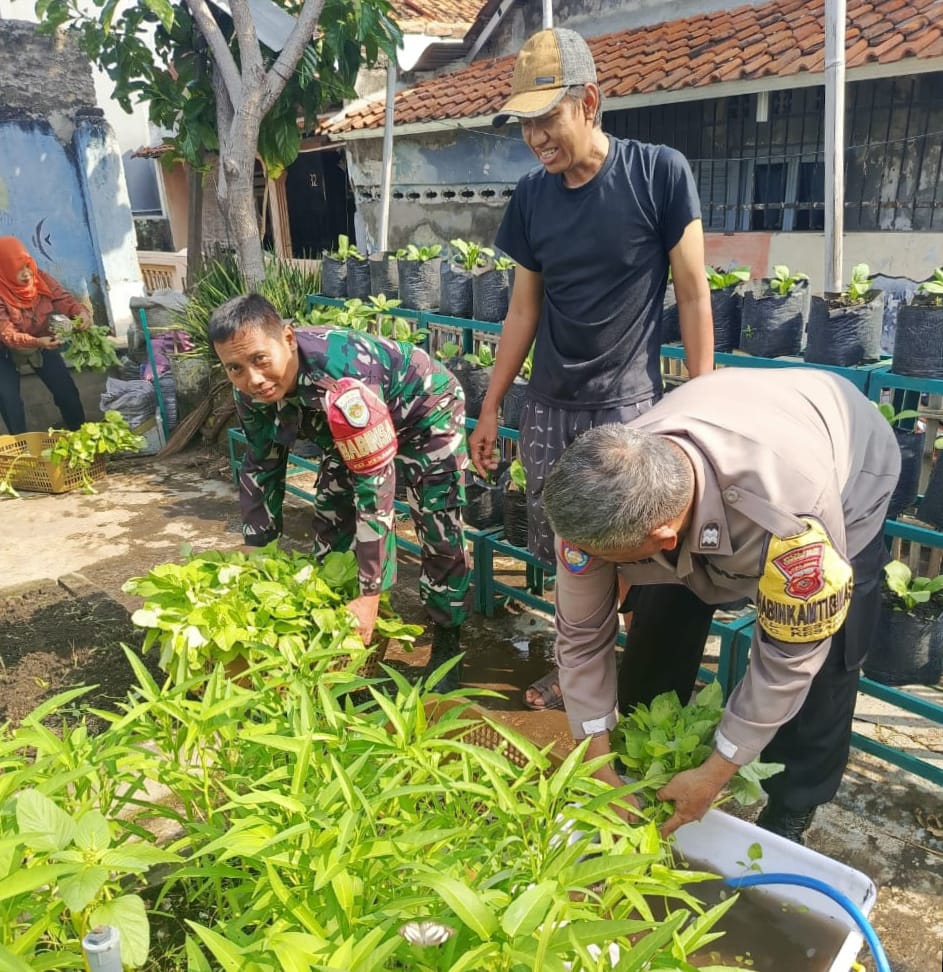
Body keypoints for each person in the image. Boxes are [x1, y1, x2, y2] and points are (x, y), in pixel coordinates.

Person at [542, 367, 900, 843]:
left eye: (612, 561)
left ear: (661, 538)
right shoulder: (602, 492)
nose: (598, 566)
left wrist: (715, 774)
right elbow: (582, 636)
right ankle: (636, 765)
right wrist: (596, 757)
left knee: (825, 661)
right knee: (657, 624)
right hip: (731, 424)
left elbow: (788, 663)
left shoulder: (793, 526)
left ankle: (794, 803)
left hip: (847, 471)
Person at [467, 27, 714, 710]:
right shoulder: (531, 198)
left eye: (547, 117)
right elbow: (521, 312)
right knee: (571, 551)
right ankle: (581, 669)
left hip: (629, 407)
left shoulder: (657, 172)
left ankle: (642, 682)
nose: (536, 137)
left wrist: (702, 401)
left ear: (589, 102)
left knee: (641, 551)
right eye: (525, 125)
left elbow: (692, 293)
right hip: (549, 407)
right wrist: (492, 406)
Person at [209, 294, 470, 689]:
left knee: (438, 523)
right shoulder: (250, 390)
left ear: (289, 338)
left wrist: (371, 593)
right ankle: (341, 630)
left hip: (423, 409)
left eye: (260, 360)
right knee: (331, 516)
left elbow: (375, 491)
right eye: (235, 368)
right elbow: (262, 462)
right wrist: (257, 550)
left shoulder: (344, 379)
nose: (253, 379)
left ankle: (448, 642)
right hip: (345, 433)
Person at [0, 236, 89, 434]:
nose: (25, 274)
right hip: (4, 349)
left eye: (27, 266)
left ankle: (81, 438)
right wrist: (37, 341)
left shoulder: (40, 278)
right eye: (18, 270)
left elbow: (63, 298)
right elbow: (7, 334)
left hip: (41, 341)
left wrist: (80, 313)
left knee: (67, 392)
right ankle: (23, 452)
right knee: (9, 401)